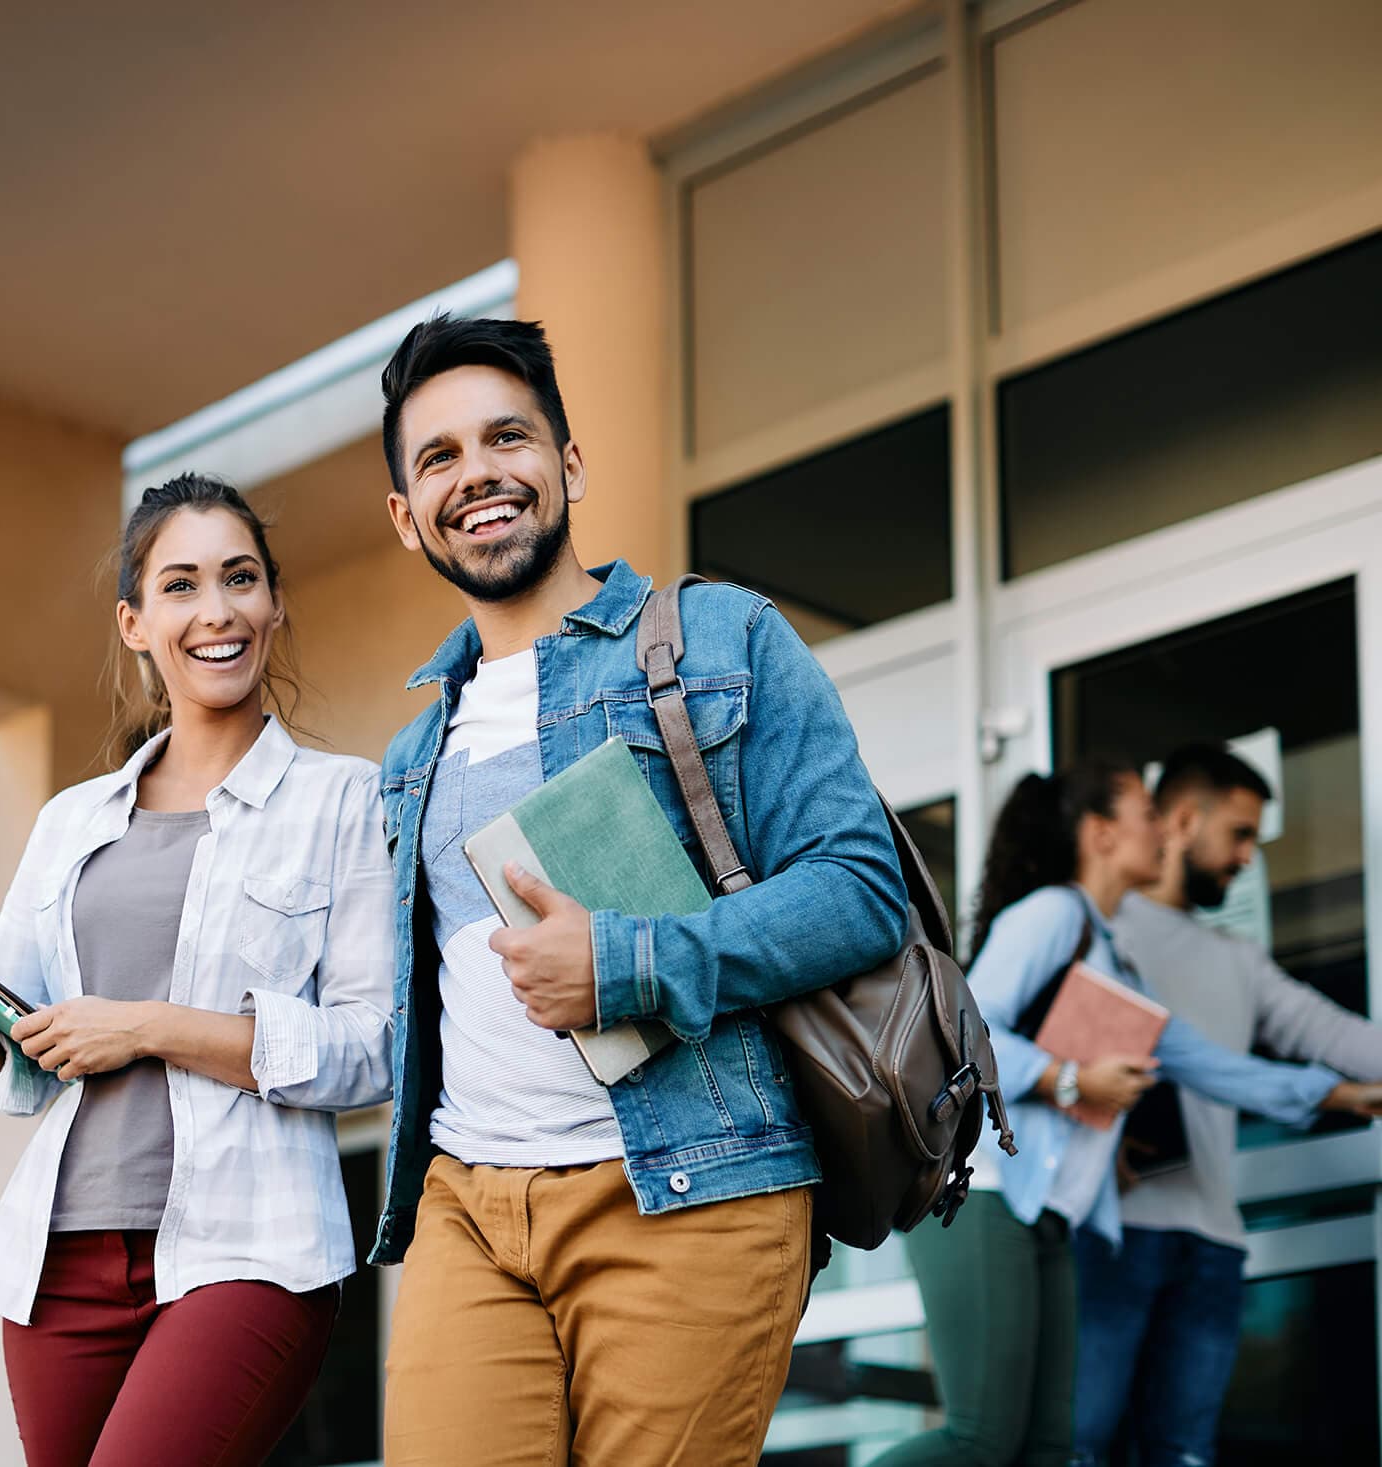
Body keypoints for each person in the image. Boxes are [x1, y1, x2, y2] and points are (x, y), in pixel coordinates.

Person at [366, 313, 909, 1467]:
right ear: (407, 517)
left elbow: (861, 888)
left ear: (566, 462)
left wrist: (631, 963)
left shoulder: (718, 635)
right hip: (467, 1205)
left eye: (506, 438)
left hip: (687, 1191)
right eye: (440, 458)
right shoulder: (411, 752)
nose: (479, 475)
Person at [0, 474, 392, 1467]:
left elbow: (374, 1048)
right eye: (180, 586)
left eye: (240, 579)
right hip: (59, 1261)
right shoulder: (72, 822)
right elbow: (18, 1062)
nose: (217, 610)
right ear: (135, 623)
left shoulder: (344, 802)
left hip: (250, 1247)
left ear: (274, 604)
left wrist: (148, 1025)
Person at [872, 755, 1382, 1467]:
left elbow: (1213, 1066)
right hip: (984, 1197)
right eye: (1147, 815)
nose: (1164, 835)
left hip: (1046, 1213)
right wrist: (1070, 1079)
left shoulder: (1117, 958)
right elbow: (966, 1032)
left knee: (1050, 1449)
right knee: (981, 1437)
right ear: (1102, 832)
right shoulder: (1053, 913)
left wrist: (1337, 1093)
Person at [1075, 744, 1382, 1465]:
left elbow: (1333, 1033)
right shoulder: (1099, 931)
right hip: (1112, 1233)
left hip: (1212, 1243)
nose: (1247, 855)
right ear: (1183, 818)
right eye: (1240, 834)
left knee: (1185, 1453)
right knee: (1083, 1448)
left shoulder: (1238, 958)